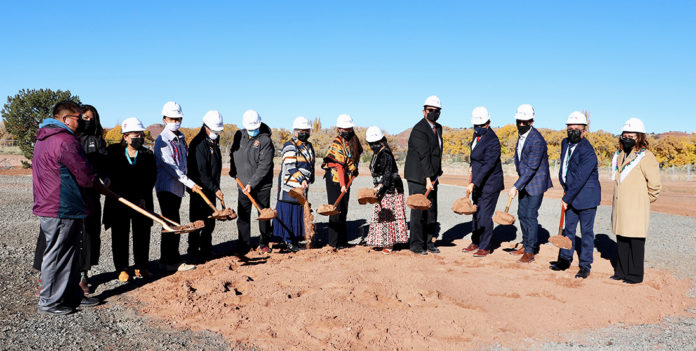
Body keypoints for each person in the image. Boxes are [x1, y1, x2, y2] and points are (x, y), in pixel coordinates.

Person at [32, 101, 101, 315]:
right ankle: (49, 302)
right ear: (65, 119)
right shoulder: (64, 141)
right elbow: (84, 173)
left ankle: (71, 295)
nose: (80, 123)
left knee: (69, 254)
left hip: (57, 205)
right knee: (58, 253)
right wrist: (101, 184)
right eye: (78, 118)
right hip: (61, 206)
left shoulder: (46, 138)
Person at [103, 117, 157, 281]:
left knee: (142, 234)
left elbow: (151, 177)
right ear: (125, 136)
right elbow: (107, 172)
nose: (139, 137)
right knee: (120, 235)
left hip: (141, 200)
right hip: (118, 200)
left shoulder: (147, 154)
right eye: (135, 134)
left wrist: (142, 196)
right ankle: (122, 268)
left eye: (140, 134)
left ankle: (141, 266)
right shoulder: (113, 152)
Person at [549, 112, 601, 279]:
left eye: (577, 129)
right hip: (570, 193)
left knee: (586, 233)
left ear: (584, 131)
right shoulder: (565, 143)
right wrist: (565, 188)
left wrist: (566, 198)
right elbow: (566, 168)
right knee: (568, 230)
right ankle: (564, 260)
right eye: (570, 129)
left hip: (586, 197)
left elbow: (580, 179)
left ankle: (585, 265)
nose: (572, 132)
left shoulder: (588, 152)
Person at [610, 118, 661, 284]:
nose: (627, 137)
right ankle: (621, 271)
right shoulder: (620, 155)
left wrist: (643, 202)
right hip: (621, 206)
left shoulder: (646, 157)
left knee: (636, 241)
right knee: (622, 239)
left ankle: (635, 274)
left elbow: (655, 185)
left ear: (639, 137)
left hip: (636, 207)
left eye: (631, 135)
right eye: (624, 134)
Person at [154, 101, 200, 272]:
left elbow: (184, 163)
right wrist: (191, 184)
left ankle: (171, 258)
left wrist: (189, 182)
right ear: (164, 119)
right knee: (171, 225)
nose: (175, 121)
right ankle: (168, 261)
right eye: (172, 118)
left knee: (174, 223)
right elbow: (172, 168)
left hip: (178, 188)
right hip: (167, 188)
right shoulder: (162, 141)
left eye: (178, 118)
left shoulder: (180, 137)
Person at [509, 104, 553, 263]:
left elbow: (532, 167)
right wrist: (520, 183)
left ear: (531, 122)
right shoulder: (521, 137)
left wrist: (516, 186)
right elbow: (520, 161)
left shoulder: (537, 140)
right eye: (519, 121)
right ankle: (526, 244)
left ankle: (530, 251)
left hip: (535, 184)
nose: (521, 124)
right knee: (522, 214)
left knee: (530, 216)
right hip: (525, 182)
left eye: (524, 122)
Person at [229, 110, 275, 255]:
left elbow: (264, 165)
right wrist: (232, 168)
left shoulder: (265, 140)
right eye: (250, 128)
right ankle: (243, 244)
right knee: (243, 215)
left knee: (264, 215)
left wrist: (252, 183)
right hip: (242, 185)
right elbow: (233, 152)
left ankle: (264, 243)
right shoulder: (239, 135)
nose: (252, 130)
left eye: (255, 128)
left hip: (261, 186)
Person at [461, 107, 504, 257]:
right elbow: (476, 158)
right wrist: (471, 167)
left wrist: (474, 182)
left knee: (484, 215)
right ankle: (475, 241)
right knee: (476, 213)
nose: (478, 128)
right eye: (476, 125)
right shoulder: (476, 135)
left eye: (481, 125)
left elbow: (488, 165)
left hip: (490, 184)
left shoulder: (493, 141)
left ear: (488, 123)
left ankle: (485, 246)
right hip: (478, 182)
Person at [404, 96, 443, 255]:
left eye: (436, 111)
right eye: (430, 110)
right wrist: (428, 179)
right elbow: (423, 155)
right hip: (419, 176)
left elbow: (436, 153)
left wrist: (437, 173)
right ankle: (416, 245)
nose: (433, 113)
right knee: (419, 210)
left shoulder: (438, 128)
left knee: (431, 210)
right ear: (424, 111)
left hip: (432, 176)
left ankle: (428, 242)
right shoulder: (419, 129)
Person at [76, 104, 108, 292]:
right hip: (74, 195)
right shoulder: (71, 139)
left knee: (90, 234)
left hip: (92, 195)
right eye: (84, 117)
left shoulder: (97, 140)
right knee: (74, 235)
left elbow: (105, 166)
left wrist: (108, 179)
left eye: (91, 118)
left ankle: (83, 274)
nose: (87, 121)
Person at [273, 116, 316, 252]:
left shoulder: (309, 146)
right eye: (301, 130)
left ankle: (295, 240)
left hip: (302, 187)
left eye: (306, 130)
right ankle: (287, 241)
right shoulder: (289, 145)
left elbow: (311, 164)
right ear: (295, 131)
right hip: (289, 186)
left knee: (298, 212)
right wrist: (301, 179)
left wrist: (311, 177)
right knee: (287, 212)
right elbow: (290, 165)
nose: (304, 133)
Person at [321, 114, 363, 250]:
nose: (347, 131)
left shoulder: (354, 140)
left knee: (344, 210)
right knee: (335, 210)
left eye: (349, 128)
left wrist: (354, 170)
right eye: (344, 129)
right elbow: (338, 165)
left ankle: (342, 241)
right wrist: (342, 185)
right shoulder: (336, 142)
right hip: (335, 179)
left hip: (346, 178)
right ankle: (334, 242)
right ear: (339, 128)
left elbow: (355, 158)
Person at [187, 111, 225, 263]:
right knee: (198, 221)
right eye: (215, 130)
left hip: (211, 188)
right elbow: (201, 172)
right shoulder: (198, 144)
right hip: (199, 190)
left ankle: (206, 248)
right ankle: (193, 251)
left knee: (210, 221)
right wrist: (215, 188)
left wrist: (215, 188)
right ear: (206, 127)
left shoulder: (213, 141)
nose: (217, 133)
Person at [364, 126, 408, 254]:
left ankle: (389, 244)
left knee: (389, 216)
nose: (373, 145)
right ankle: (382, 241)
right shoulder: (377, 154)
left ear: (381, 141)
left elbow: (388, 174)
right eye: (371, 143)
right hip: (381, 188)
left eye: (375, 143)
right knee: (381, 215)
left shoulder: (386, 154)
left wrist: (380, 186)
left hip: (391, 189)